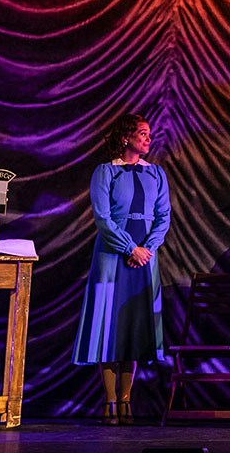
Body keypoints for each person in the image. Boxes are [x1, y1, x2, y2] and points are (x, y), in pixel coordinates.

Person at [71, 113, 171, 426]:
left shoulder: (156, 173)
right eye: (142, 133)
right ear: (126, 137)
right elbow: (103, 217)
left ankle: (127, 400)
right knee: (109, 326)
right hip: (114, 254)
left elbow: (163, 216)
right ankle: (110, 400)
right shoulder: (106, 172)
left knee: (135, 325)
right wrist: (130, 248)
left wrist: (148, 249)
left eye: (149, 134)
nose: (148, 138)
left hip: (145, 254)